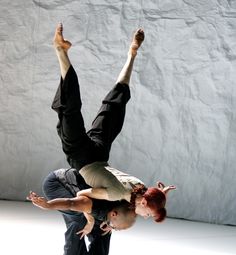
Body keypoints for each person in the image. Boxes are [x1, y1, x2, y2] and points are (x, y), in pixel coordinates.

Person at [51, 23, 176, 232]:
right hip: (81, 157)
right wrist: (91, 220)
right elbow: (84, 195)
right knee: (70, 110)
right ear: (143, 204)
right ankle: (60, 49)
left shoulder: (140, 187)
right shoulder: (119, 195)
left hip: (100, 151)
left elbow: (148, 196)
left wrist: (161, 194)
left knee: (115, 104)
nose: (144, 217)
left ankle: (132, 54)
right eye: (147, 215)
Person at [28, 167, 136, 255]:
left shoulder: (124, 201)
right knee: (79, 219)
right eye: (116, 228)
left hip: (84, 191)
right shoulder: (92, 204)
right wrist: (48, 205)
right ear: (114, 214)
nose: (114, 229)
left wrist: (110, 226)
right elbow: (70, 203)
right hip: (57, 183)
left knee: (104, 229)